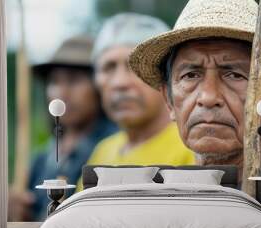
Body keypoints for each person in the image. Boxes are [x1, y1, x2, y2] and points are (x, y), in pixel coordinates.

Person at [128, 0, 261, 221]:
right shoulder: (178, 189)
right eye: (190, 75)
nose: (208, 97)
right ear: (168, 100)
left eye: (234, 75)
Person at [76, 13, 195, 192]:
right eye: (108, 67)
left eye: (133, 66)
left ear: (165, 77)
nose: (120, 83)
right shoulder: (103, 151)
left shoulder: (192, 148)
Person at [9, 35, 117, 221]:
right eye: (54, 82)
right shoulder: (41, 160)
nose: (61, 93)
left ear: (99, 86)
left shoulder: (114, 148)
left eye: (74, 80)